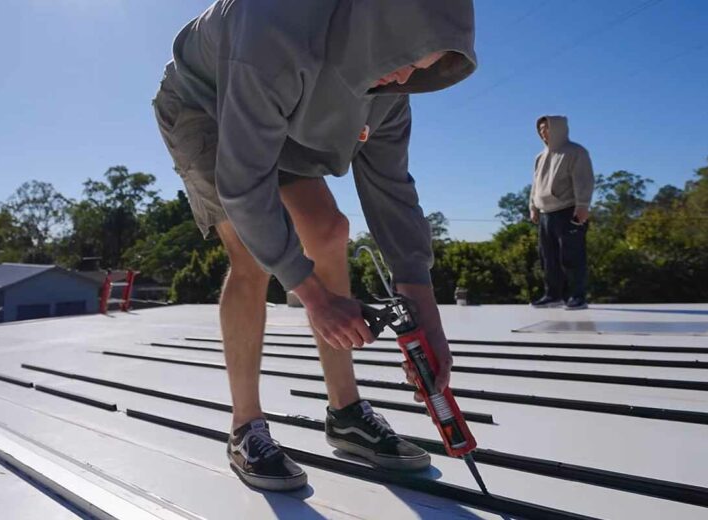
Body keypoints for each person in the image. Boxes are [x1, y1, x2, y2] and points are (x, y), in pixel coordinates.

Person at [153, 0, 476, 491]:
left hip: (284, 104)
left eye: (422, 67)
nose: (407, 74)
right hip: (205, 99)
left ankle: (346, 413)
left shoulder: (393, 82)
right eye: (408, 56)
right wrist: (314, 296)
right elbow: (243, 187)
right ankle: (246, 427)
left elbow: (392, 193)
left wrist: (427, 314)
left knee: (329, 232)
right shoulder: (275, 23)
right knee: (250, 252)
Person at [529, 116, 595, 310]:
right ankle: (553, 295)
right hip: (545, 213)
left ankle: (577, 296)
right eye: (540, 129)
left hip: (568, 211)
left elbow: (584, 180)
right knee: (548, 258)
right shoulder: (539, 157)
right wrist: (533, 207)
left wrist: (582, 206)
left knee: (572, 256)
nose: (543, 133)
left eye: (547, 129)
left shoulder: (575, 152)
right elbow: (535, 185)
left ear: (558, 129)